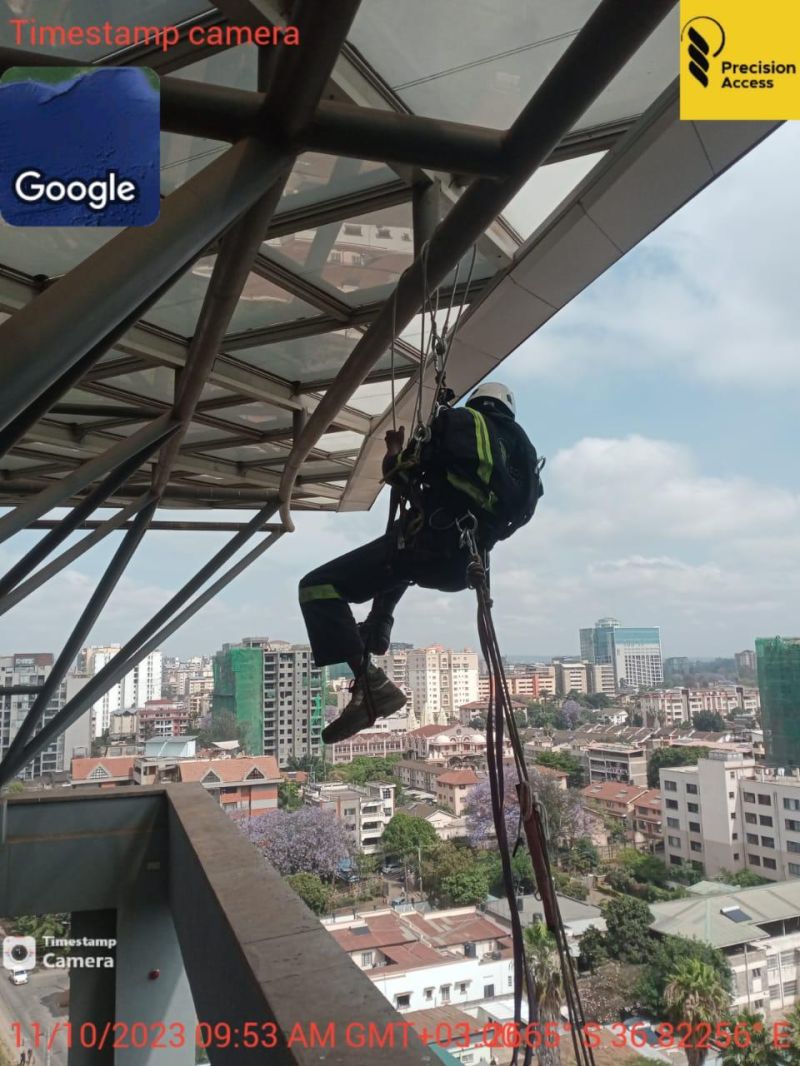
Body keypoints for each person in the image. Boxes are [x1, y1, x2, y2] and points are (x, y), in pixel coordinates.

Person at [299, 382, 543, 744]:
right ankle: (379, 623)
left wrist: (395, 450)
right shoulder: (524, 455)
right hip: (465, 565)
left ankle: (372, 682)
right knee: (402, 543)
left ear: (476, 401)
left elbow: (401, 471)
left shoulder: (461, 421)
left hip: (428, 546)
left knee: (316, 587)